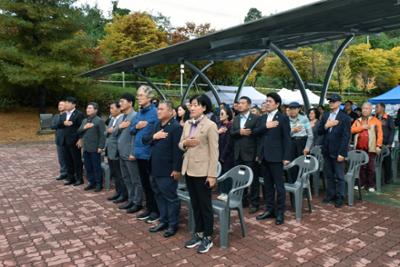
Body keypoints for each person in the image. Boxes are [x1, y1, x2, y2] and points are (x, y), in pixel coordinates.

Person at [179, 94, 218, 254]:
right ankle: (199, 233)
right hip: (188, 169)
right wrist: (185, 144)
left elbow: (214, 152)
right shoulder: (187, 123)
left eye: (195, 105)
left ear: (204, 107)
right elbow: (180, 143)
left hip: (203, 172)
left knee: (205, 206)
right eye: (191, 104)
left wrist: (212, 175)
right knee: (195, 205)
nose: (192, 107)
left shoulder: (210, 125)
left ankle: (208, 237)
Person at [144, 101, 183, 238]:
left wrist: (176, 169)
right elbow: (145, 139)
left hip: (167, 170)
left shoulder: (176, 127)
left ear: (170, 111)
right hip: (154, 168)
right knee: (159, 195)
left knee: (171, 198)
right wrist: (154, 136)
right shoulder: (156, 125)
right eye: (158, 109)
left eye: (161, 109)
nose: (158, 111)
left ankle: (173, 224)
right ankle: (163, 220)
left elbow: (178, 150)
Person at [253, 92, 290, 225]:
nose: (267, 103)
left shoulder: (283, 118)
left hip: (277, 157)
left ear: (277, 104)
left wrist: (286, 157)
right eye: (266, 101)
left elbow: (287, 138)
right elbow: (255, 133)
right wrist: (265, 126)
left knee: (279, 186)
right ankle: (269, 209)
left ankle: (280, 212)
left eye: (270, 101)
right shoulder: (262, 118)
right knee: (267, 185)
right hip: (264, 156)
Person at [129, 85, 159, 222]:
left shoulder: (155, 112)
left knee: (153, 184)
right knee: (145, 183)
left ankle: (156, 211)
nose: (138, 98)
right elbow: (131, 129)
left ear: (149, 97)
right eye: (137, 95)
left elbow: (157, 132)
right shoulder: (139, 113)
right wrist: (136, 126)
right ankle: (149, 208)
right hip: (139, 153)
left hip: (150, 154)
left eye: (140, 95)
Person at [318, 93, 351, 208]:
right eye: (330, 101)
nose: (331, 103)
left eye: (333, 101)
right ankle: (330, 195)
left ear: (339, 103)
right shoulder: (326, 115)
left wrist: (342, 153)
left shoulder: (345, 117)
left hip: (338, 151)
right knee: (329, 175)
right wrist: (327, 126)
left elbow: (346, 137)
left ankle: (340, 197)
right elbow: (319, 131)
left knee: (339, 176)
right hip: (326, 150)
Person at [231, 96, 260, 213]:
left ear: (249, 105)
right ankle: (242, 201)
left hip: (251, 154)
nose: (240, 105)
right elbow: (232, 133)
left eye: (243, 103)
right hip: (238, 154)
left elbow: (258, 137)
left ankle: (254, 203)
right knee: (240, 178)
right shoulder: (236, 118)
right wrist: (240, 132)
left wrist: (258, 154)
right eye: (239, 103)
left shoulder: (256, 118)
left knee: (253, 179)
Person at [116, 93, 143, 213]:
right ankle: (131, 199)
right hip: (122, 152)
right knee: (126, 178)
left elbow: (135, 137)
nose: (120, 104)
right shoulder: (122, 117)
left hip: (130, 154)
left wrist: (133, 152)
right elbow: (114, 133)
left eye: (122, 101)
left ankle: (138, 202)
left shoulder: (135, 116)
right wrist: (120, 127)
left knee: (135, 179)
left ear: (130, 103)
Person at [352, 102, 383, 192]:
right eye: (363, 108)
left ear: (370, 110)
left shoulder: (376, 121)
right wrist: (362, 127)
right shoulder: (358, 120)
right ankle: (361, 184)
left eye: (367, 108)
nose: (365, 110)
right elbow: (351, 130)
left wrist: (378, 146)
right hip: (359, 147)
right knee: (360, 167)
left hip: (371, 147)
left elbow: (380, 134)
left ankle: (371, 185)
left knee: (370, 167)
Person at [78, 102, 106, 192]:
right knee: (88, 166)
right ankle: (91, 182)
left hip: (95, 148)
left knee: (96, 166)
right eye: (87, 108)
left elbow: (103, 135)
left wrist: (101, 146)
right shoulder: (84, 120)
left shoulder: (99, 121)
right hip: (86, 148)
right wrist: (84, 127)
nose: (87, 110)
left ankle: (99, 184)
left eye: (90, 108)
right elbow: (79, 131)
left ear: (96, 110)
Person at [57, 97, 84, 186]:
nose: (66, 104)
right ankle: (70, 178)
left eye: (68, 103)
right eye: (66, 103)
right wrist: (63, 123)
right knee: (67, 160)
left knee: (76, 160)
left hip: (74, 141)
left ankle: (79, 179)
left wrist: (81, 139)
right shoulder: (64, 114)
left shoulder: (79, 114)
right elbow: (59, 125)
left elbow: (82, 128)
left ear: (74, 104)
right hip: (65, 141)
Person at [105, 102, 127, 202]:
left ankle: (123, 194)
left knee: (120, 174)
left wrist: (113, 130)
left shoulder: (122, 118)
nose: (111, 110)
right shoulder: (112, 119)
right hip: (110, 150)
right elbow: (106, 132)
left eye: (112, 108)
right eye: (110, 108)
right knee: (115, 173)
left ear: (119, 109)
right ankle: (118, 192)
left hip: (118, 150)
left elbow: (119, 133)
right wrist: (110, 130)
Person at [216, 105, 234, 201]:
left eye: (222, 114)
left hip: (227, 155)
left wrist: (223, 155)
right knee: (220, 173)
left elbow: (229, 143)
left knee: (227, 173)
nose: (220, 115)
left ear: (228, 115)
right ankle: (222, 192)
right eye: (219, 114)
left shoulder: (230, 125)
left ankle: (227, 193)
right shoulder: (219, 125)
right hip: (218, 153)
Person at [376, 103, 395, 184]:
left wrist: (390, 143)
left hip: (386, 143)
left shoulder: (388, 118)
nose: (376, 108)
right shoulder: (374, 118)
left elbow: (392, 131)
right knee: (377, 161)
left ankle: (388, 178)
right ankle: (378, 179)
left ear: (383, 108)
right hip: (376, 143)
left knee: (386, 161)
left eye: (377, 107)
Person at [51, 100, 68, 181]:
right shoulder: (56, 116)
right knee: (61, 158)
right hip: (59, 139)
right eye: (59, 104)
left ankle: (70, 173)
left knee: (68, 157)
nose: (60, 106)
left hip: (67, 140)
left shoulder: (68, 115)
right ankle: (63, 173)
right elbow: (52, 126)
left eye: (62, 104)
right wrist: (60, 124)